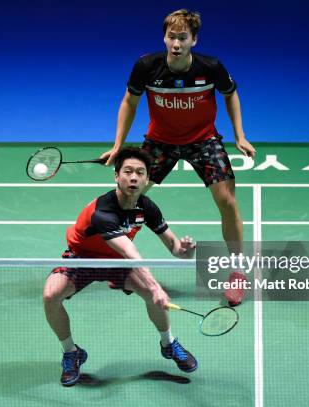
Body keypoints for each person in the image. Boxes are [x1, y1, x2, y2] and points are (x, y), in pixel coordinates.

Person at [100, 9, 256, 306]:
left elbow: (230, 94)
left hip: (204, 140)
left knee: (228, 200)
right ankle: (118, 262)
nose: (176, 43)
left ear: (193, 40)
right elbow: (128, 102)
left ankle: (237, 271)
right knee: (127, 195)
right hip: (160, 141)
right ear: (164, 37)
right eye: (171, 37)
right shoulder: (147, 67)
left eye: (182, 37)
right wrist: (118, 144)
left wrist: (239, 135)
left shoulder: (210, 67)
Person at [43, 147, 198, 387]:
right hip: (82, 258)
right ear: (117, 176)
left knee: (150, 295)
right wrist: (156, 287)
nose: (134, 177)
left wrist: (185, 251)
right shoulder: (103, 211)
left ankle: (168, 344)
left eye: (140, 173)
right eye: (128, 172)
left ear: (147, 179)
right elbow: (130, 252)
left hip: (115, 261)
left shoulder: (147, 207)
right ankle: (71, 352)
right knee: (51, 295)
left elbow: (175, 248)